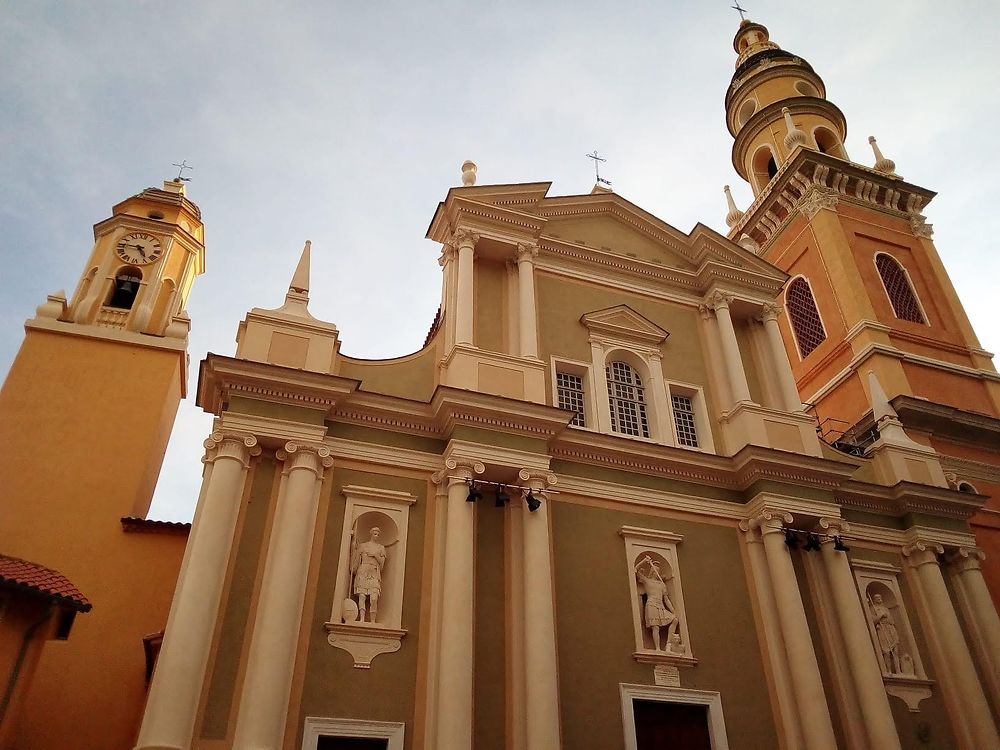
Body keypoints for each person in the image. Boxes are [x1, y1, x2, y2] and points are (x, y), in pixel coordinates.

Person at [634, 555, 679, 651]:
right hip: (651, 605)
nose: (656, 572)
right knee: (656, 627)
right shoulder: (647, 581)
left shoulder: (662, 584)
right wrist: (643, 561)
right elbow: (635, 570)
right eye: (655, 571)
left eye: (658, 571)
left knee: (674, 619)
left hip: (661, 606)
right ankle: (657, 648)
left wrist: (673, 611)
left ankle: (668, 644)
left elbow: (666, 599)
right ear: (652, 571)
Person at [352, 527, 387, 623]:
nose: (376, 536)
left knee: (374, 598)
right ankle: (362, 619)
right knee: (362, 596)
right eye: (375, 533)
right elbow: (356, 561)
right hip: (363, 570)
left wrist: (375, 555)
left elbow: (382, 564)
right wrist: (354, 548)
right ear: (371, 534)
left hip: (374, 572)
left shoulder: (381, 548)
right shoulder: (363, 546)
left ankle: (372, 620)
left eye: (378, 534)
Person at [869, 593, 901, 673]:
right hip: (882, 629)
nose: (879, 598)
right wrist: (880, 616)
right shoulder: (873, 608)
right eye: (877, 598)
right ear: (874, 600)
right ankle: (889, 671)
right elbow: (872, 621)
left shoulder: (886, 609)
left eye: (880, 597)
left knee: (895, 651)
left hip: (891, 628)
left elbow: (892, 620)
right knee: (886, 651)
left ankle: (898, 670)